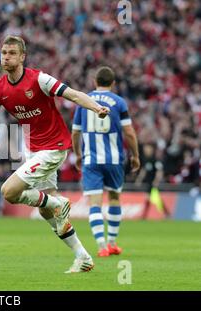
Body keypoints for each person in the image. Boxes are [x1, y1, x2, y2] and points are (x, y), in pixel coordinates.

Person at [0, 35, 110, 273]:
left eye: (12, 53)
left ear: (22, 57)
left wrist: (96, 107)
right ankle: (83, 256)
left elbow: (74, 94)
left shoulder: (40, 79)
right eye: (4, 53)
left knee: (9, 191)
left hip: (54, 147)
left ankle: (59, 202)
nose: (6, 57)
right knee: (48, 212)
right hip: (34, 149)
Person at [71, 66, 140, 257]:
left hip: (91, 160)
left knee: (94, 203)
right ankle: (112, 243)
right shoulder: (119, 102)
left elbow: (75, 132)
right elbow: (129, 132)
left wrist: (78, 154)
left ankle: (101, 247)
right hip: (114, 159)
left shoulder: (83, 101)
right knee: (114, 198)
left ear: (95, 82)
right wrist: (135, 155)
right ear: (113, 83)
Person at [135, 143, 170, 219]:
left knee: (154, 199)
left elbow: (159, 171)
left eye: (148, 149)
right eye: (145, 150)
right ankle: (166, 213)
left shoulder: (155, 160)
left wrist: (156, 181)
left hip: (153, 184)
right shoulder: (146, 160)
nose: (146, 151)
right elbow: (143, 171)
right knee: (153, 199)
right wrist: (139, 180)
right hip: (149, 183)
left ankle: (145, 215)